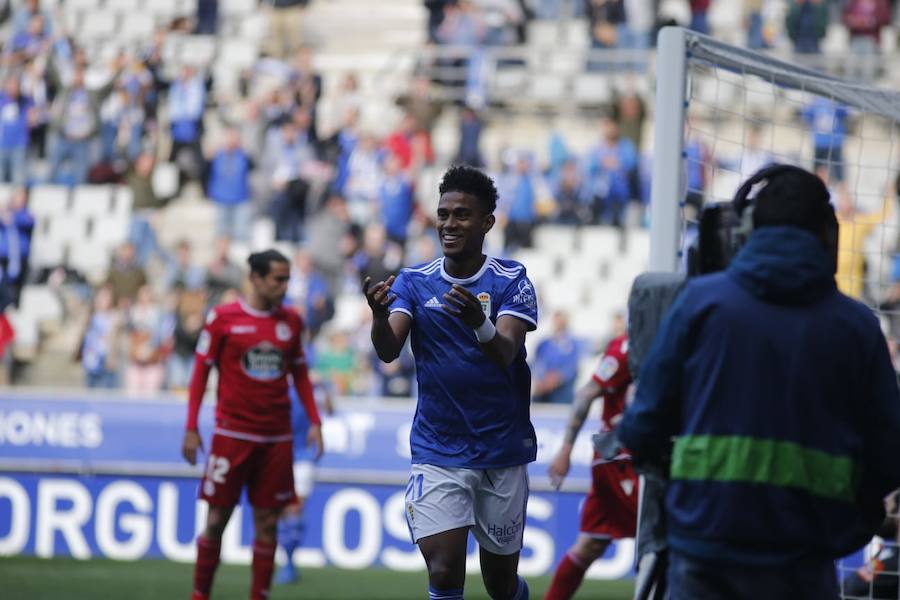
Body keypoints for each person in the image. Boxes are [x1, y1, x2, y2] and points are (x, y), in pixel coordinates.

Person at [618, 165, 900, 599]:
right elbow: (887, 458)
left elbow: (641, 431)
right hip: (805, 562)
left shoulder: (700, 304)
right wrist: (846, 522)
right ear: (829, 233)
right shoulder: (857, 327)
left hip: (703, 554)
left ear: (746, 231)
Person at [364, 165, 537, 600]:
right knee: (443, 572)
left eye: (462, 214)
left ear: (487, 222)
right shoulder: (414, 282)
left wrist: (478, 321)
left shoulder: (511, 279)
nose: (449, 223)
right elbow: (388, 350)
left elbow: (504, 352)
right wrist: (380, 316)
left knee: (500, 584)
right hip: (439, 450)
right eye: (443, 214)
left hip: (502, 448)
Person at [182, 249, 324, 600]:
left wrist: (315, 421)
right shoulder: (222, 319)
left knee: (267, 523)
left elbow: (301, 374)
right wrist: (191, 426)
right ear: (256, 279)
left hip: (277, 439)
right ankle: (200, 595)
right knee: (216, 521)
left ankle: (259, 595)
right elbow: (200, 373)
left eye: (288, 278)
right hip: (232, 436)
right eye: (278, 278)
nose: (284, 286)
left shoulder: (292, 321)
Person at [544, 332, 637, 599]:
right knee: (665, 541)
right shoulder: (627, 348)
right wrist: (565, 449)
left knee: (591, 544)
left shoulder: (665, 337)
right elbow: (587, 393)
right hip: (626, 460)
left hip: (622, 458)